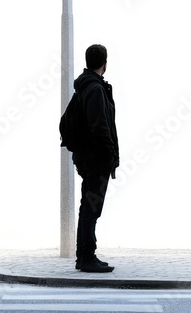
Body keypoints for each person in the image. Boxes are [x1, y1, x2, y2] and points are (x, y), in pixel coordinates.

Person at [70, 43, 119, 273]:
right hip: (96, 159)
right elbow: (100, 126)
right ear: (104, 63)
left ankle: (83, 256)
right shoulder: (95, 89)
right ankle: (87, 257)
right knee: (91, 208)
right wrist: (109, 155)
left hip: (87, 157)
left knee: (87, 207)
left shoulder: (85, 86)